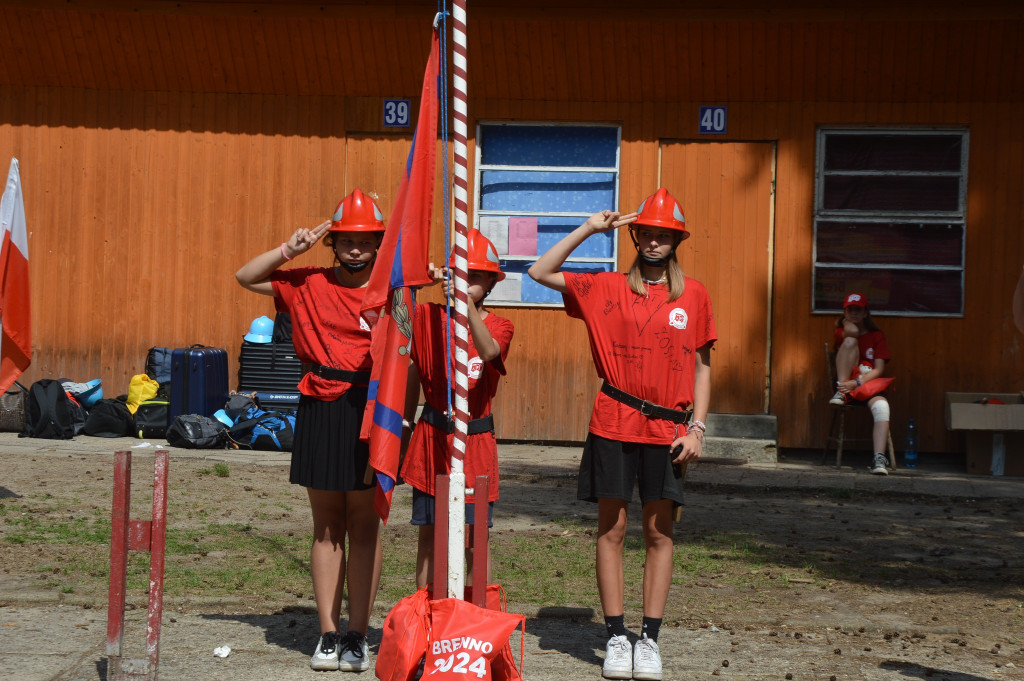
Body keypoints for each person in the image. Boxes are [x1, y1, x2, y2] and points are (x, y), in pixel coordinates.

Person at [528, 188, 715, 681]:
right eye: (646, 233)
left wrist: (697, 428)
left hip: (669, 429)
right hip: (613, 421)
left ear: (676, 240)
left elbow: (703, 367)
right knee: (611, 530)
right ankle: (615, 636)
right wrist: (590, 229)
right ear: (634, 235)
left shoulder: (692, 294)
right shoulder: (605, 287)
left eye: (663, 235)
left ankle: (648, 639)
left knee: (659, 532)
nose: (654, 241)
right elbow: (539, 272)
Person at [234, 189, 385, 672]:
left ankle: (358, 634)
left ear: (378, 243)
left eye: (365, 241)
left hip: (369, 408)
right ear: (333, 243)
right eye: (346, 240)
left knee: (364, 526)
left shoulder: (393, 290)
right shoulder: (306, 282)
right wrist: (289, 250)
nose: (356, 249)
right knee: (326, 526)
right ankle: (327, 633)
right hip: (320, 406)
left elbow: (411, 351)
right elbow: (245, 277)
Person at [401, 230, 514, 589]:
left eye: (476, 276)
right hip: (431, 440)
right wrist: (422, 275)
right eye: (460, 274)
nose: (467, 282)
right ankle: (427, 617)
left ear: (492, 283)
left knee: (473, 540)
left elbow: (489, 352)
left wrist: (464, 307)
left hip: (476, 444)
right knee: (430, 537)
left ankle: (476, 619)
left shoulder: (500, 324)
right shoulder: (427, 317)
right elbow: (394, 307)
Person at [828, 292, 893, 476]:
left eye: (859, 310)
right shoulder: (842, 332)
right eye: (850, 310)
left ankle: (879, 459)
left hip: (865, 383)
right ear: (845, 312)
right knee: (850, 341)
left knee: (882, 407)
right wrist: (844, 321)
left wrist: (857, 382)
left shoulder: (877, 336)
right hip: (845, 385)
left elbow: (879, 370)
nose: (854, 314)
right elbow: (854, 333)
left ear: (866, 312)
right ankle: (840, 391)